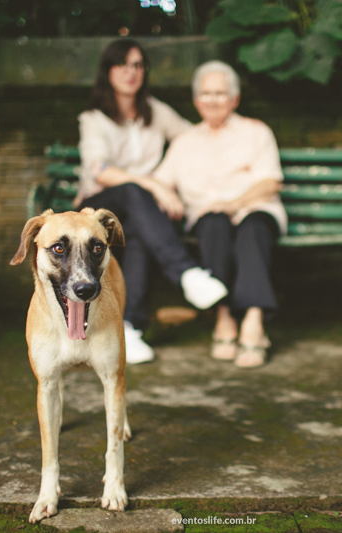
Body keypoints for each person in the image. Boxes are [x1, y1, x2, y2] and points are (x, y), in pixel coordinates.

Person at [73, 40, 227, 365]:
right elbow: (99, 171)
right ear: (109, 71)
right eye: (123, 65)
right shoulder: (94, 118)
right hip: (99, 210)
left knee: (140, 231)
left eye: (138, 65)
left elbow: (194, 138)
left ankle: (131, 328)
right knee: (133, 191)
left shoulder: (156, 112)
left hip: (143, 215)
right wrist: (154, 184)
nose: (132, 72)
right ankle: (186, 273)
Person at [153, 60, 286, 368]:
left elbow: (270, 182)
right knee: (214, 224)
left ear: (235, 99)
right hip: (209, 218)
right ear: (197, 100)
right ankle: (224, 317)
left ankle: (253, 321)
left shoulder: (256, 132)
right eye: (206, 93)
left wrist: (235, 203)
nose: (213, 100)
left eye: (221, 93)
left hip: (255, 209)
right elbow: (160, 181)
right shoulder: (184, 142)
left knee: (251, 228)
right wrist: (164, 192)